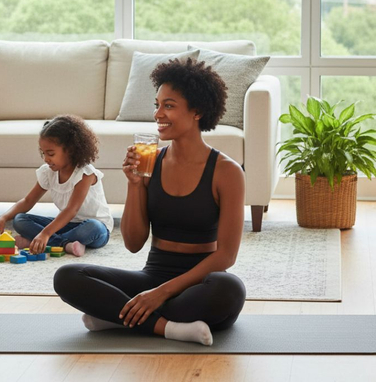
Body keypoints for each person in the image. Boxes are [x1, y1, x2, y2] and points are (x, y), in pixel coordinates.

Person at [53, 58, 247, 346]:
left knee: (229, 288)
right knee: (68, 275)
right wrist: (135, 185)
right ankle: (170, 328)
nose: (158, 114)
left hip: (199, 284)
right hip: (152, 276)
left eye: (168, 105)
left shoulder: (227, 171)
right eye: (157, 105)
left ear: (197, 111)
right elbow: (133, 243)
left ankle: (116, 317)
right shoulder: (151, 161)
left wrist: (162, 293)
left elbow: (226, 257)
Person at [0, 115, 113, 257]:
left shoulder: (85, 173)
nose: (46, 159)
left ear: (70, 150)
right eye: (43, 153)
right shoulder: (48, 172)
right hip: (65, 225)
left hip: (96, 228)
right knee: (20, 220)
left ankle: (42, 240)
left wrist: (45, 233)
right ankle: (64, 244)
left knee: (92, 228)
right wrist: (3, 218)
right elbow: (28, 201)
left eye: (51, 153)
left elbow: (72, 210)